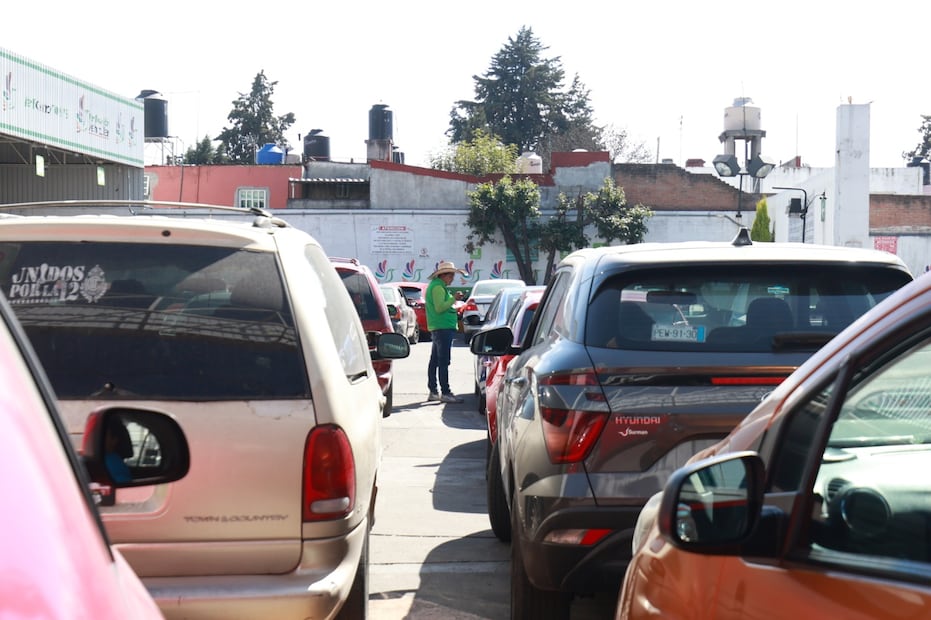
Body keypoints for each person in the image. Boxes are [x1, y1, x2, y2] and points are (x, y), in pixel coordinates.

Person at [425, 261, 466, 403]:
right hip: (442, 327)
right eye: (451, 276)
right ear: (444, 275)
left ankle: (434, 391)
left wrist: (453, 299)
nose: (452, 279)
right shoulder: (437, 287)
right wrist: (453, 299)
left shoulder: (439, 286)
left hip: (440, 327)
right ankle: (445, 392)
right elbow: (440, 308)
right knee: (443, 361)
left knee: (436, 360)